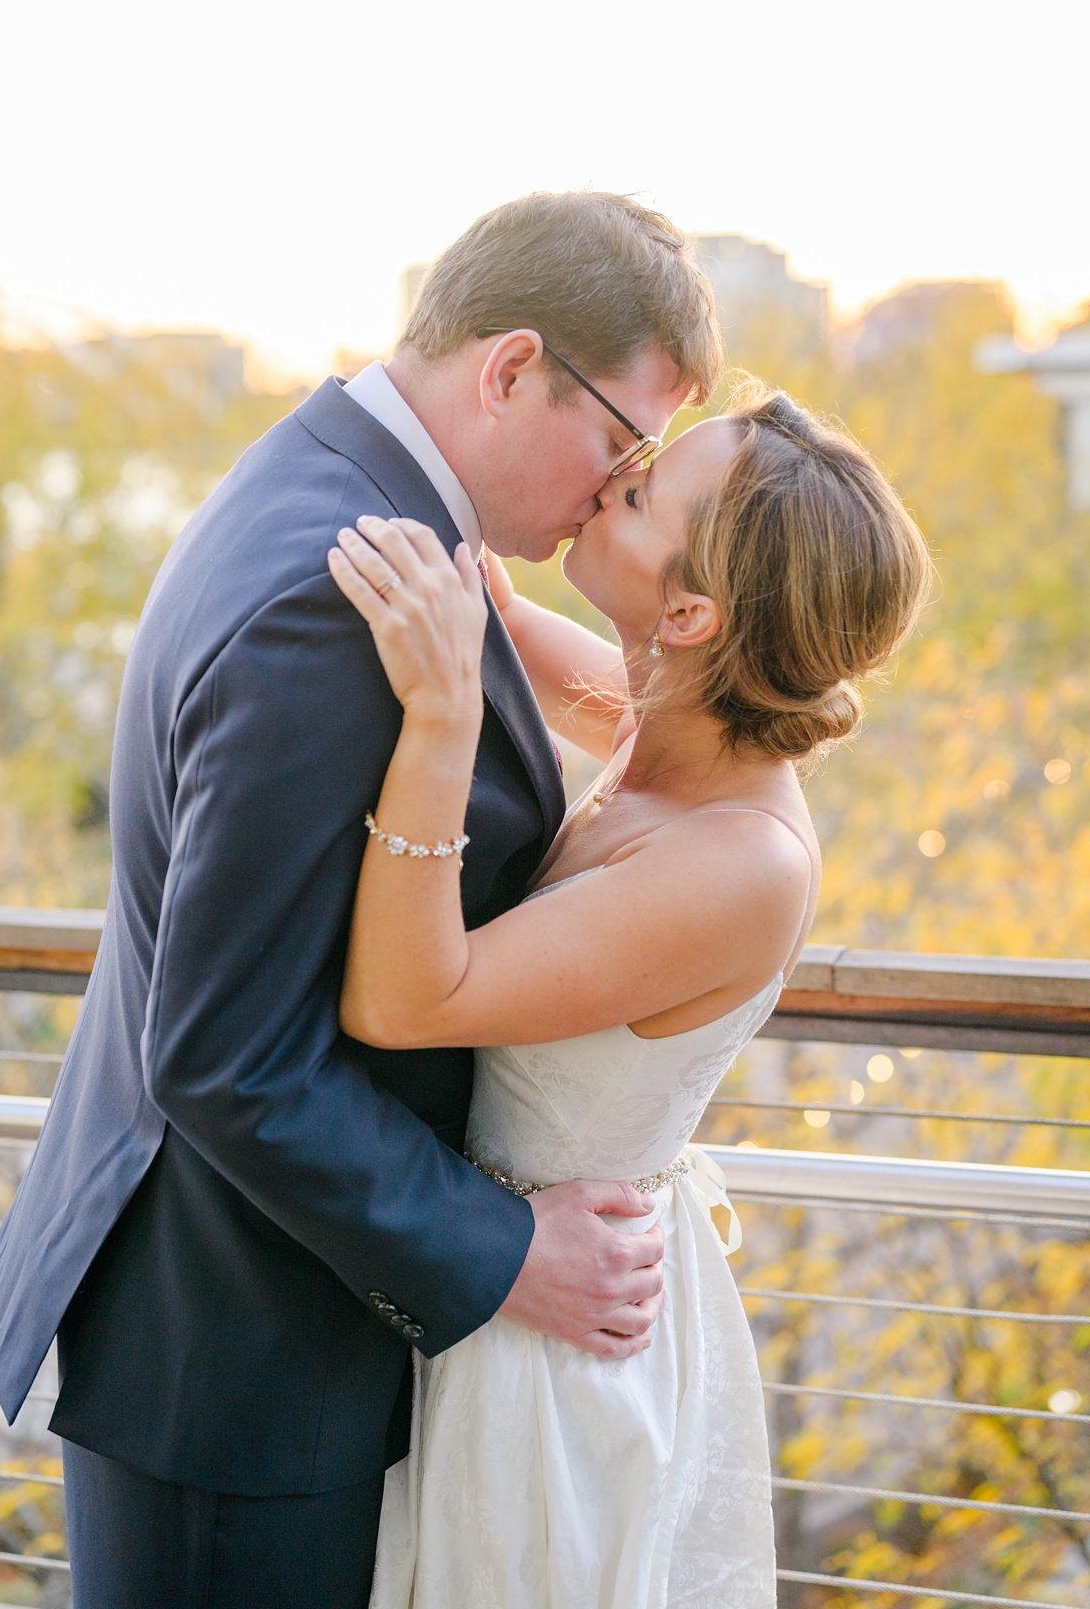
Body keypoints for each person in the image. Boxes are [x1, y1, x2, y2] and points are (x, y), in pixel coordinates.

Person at [0, 192, 726, 1606]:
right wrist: (504, 1252)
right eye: (623, 445)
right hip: (239, 1358)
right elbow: (227, 1054)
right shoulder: (337, 594)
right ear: (511, 369)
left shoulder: (348, 497)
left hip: (256, 1321)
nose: (619, 488)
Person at [333, 395, 925, 1607]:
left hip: (553, 1348)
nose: (616, 477)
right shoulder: (671, 708)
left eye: (644, 490)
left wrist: (443, 725)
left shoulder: (739, 861)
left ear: (694, 611)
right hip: (489, 1277)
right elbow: (488, 603)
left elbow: (405, 999)